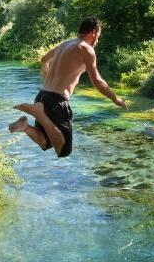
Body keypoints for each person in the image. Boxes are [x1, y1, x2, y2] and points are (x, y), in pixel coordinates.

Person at [8, 16, 126, 158]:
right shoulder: (86, 48)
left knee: (46, 142)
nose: (98, 40)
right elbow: (98, 81)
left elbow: (44, 60)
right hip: (56, 100)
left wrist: (47, 75)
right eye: (99, 36)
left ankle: (24, 127)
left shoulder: (65, 44)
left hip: (42, 95)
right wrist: (115, 99)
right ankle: (39, 113)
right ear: (94, 32)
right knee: (64, 150)